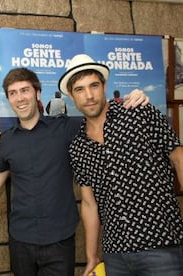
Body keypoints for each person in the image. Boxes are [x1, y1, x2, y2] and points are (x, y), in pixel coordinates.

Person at [0, 67, 149, 276]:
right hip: (21, 240)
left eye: (25, 90)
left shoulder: (66, 128)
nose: (20, 98)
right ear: (8, 99)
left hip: (60, 242)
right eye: (13, 93)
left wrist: (135, 99)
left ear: (37, 93)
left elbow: (98, 113)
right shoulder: (6, 141)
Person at [59, 54, 183, 276]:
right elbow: (88, 204)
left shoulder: (139, 113)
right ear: (71, 95)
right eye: (80, 89)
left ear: (104, 85)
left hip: (162, 246)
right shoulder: (78, 146)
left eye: (94, 86)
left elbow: (178, 157)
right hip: (115, 255)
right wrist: (92, 256)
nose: (89, 96)